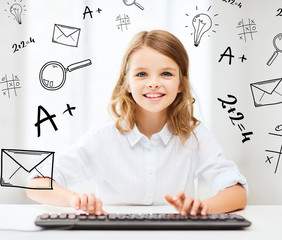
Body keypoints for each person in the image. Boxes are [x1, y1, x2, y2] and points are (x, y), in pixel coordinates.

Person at [27, 30, 247, 216]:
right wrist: (76, 200)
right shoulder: (101, 139)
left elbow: (237, 193)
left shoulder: (194, 136)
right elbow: (35, 184)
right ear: (128, 83)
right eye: (142, 74)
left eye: (166, 74)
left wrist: (203, 207)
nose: (153, 83)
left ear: (181, 83)